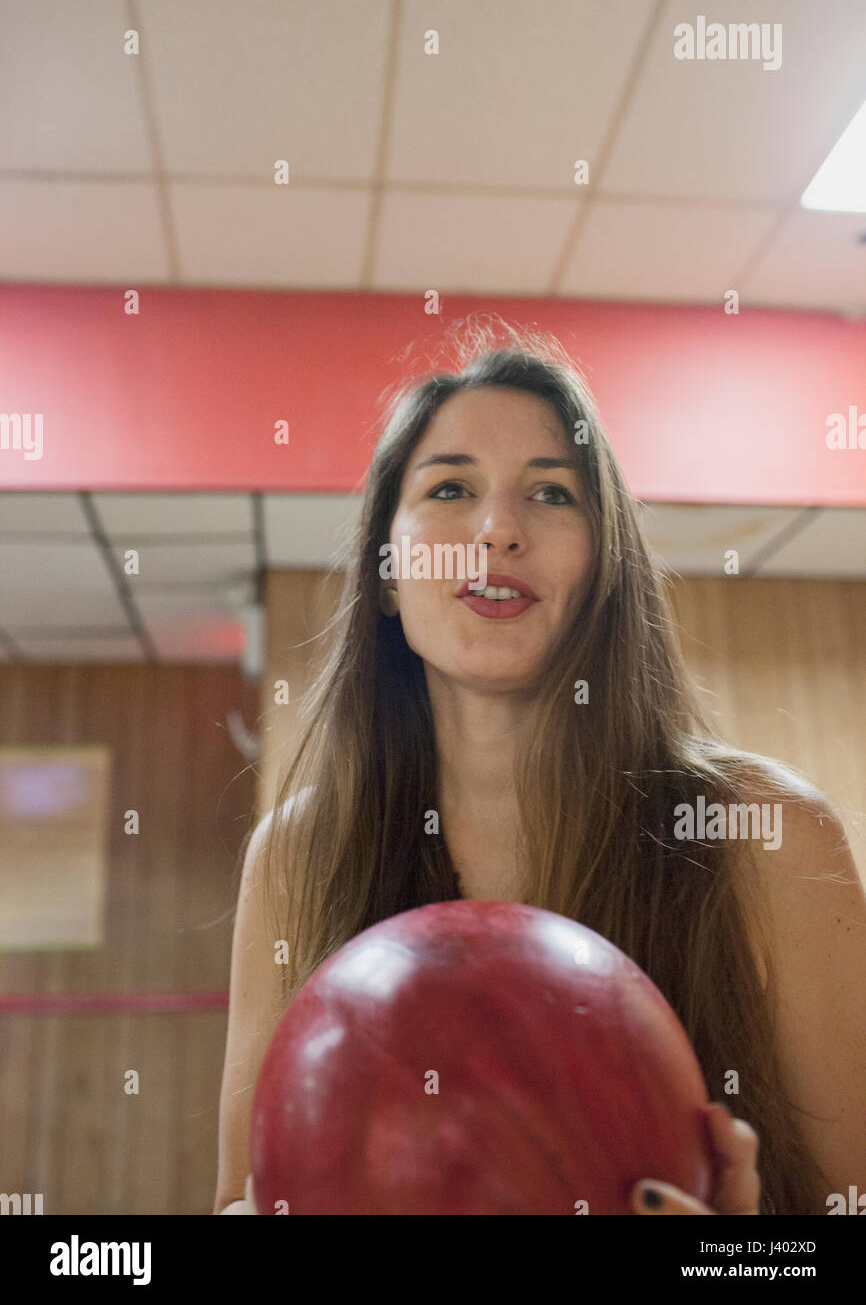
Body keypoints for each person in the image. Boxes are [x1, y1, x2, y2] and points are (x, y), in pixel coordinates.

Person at [214, 319, 866, 1215]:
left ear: (605, 567)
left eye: (553, 495)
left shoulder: (769, 835)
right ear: (390, 575)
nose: (497, 530)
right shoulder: (297, 855)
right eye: (450, 487)